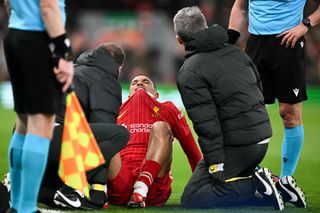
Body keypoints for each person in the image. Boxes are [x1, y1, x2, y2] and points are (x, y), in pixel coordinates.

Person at [173, 6, 305, 210]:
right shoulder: (238, 53)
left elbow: (207, 124)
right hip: (261, 139)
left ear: (179, 39)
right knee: (203, 186)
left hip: (237, 146)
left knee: (193, 198)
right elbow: (257, 93)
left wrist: (216, 163)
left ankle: (259, 187)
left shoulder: (189, 72)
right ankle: (270, 183)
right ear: (205, 26)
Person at [228, 0, 319, 207]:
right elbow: (240, 7)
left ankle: (286, 180)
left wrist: (305, 24)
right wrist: (230, 38)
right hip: (256, 45)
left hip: (289, 44)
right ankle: (248, 176)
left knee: (288, 112)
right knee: (247, 110)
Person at [36, 43, 130, 210]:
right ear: (119, 67)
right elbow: (103, 126)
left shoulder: (70, 70)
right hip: (53, 135)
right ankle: (71, 189)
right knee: (119, 134)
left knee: (53, 186)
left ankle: (26, 185)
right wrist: (98, 187)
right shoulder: (104, 78)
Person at [3, 0, 74, 212]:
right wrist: (64, 51)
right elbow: (48, 7)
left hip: (16, 34)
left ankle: (16, 204)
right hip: (39, 40)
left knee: (24, 124)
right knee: (41, 125)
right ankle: (26, 208)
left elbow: (8, 4)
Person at [107, 74, 202, 208]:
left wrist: (202, 184)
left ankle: (142, 185)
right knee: (104, 137)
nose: (139, 83)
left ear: (156, 94)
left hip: (154, 188)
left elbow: (191, 150)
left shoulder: (167, 109)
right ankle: (99, 190)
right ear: (129, 95)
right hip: (120, 185)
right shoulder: (116, 111)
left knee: (161, 126)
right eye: (134, 83)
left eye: (145, 82)